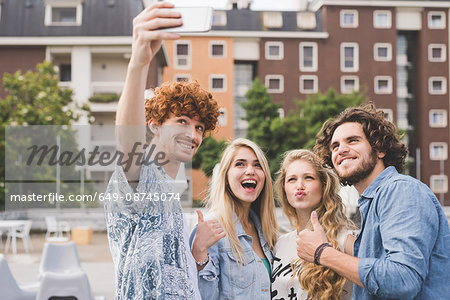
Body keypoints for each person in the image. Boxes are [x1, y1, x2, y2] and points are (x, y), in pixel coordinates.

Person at [103, 2, 221, 299]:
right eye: (181, 121)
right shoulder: (143, 175)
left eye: (198, 127)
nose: (192, 134)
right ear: (154, 125)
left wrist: (196, 251)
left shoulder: (169, 190)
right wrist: (138, 63)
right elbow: (127, 141)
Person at [297, 103, 450, 299]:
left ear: (380, 149)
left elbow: (403, 279)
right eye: (335, 146)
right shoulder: (372, 203)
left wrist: (322, 253)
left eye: (352, 141)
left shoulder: (400, 190)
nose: (341, 150)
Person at [189, 138, 278, 299]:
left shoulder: (267, 231)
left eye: (258, 165)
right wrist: (199, 253)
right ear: (226, 177)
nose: (250, 171)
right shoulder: (210, 229)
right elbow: (201, 296)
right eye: (240, 164)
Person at [271, 149, 355, 300]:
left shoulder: (345, 239)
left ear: (324, 186)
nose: (300, 185)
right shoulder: (279, 244)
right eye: (291, 179)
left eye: (308, 178)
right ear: (284, 189)